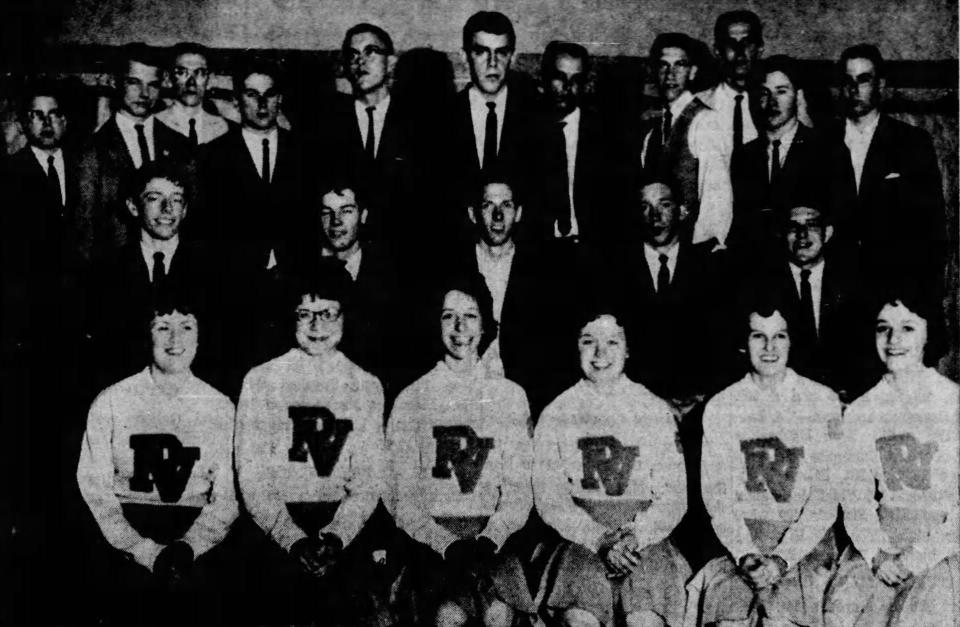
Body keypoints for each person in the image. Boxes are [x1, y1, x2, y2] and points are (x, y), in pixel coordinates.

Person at [234, 264, 386, 625]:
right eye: (305, 314)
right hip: (275, 527)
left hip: (341, 528)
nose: (317, 326)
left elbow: (368, 480)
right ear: (290, 318)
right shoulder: (261, 381)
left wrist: (336, 538)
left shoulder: (365, 385)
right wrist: (293, 540)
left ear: (345, 316)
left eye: (328, 314)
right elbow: (252, 478)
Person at [76, 299, 238, 624]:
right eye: (163, 328)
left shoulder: (220, 406)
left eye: (186, 328)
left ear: (200, 335)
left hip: (198, 540)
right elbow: (95, 490)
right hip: (124, 538)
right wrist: (142, 550)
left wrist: (189, 547)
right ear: (146, 335)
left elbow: (228, 498)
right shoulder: (111, 401)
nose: (175, 341)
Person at [386, 272, 534, 626]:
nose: (459, 327)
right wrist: (443, 543)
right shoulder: (412, 398)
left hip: (494, 539)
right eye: (448, 315)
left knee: (499, 612)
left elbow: (519, 490)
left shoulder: (510, 396)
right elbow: (400, 495)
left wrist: (491, 538)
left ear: (485, 326)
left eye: (469, 316)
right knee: (447, 615)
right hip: (431, 542)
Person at [533, 310, 689, 627]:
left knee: (644, 619)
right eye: (589, 341)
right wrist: (598, 539)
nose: (601, 354)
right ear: (575, 347)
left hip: (644, 538)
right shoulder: (557, 412)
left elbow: (674, 496)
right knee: (580, 619)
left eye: (612, 342)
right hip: (582, 537)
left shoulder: (653, 409)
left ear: (628, 348)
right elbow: (550, 499)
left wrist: (638, 535)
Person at [696, 300, 845, 627]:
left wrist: (782, 558)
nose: (769, 347)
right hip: (739, 542)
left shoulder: (821, 401)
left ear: (792, 340)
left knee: (782, 621)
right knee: (728, 620)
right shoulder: (722, 406)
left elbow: (825, 498)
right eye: (757, 336)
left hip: (806, 544)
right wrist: (745, 552)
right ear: (742, 342)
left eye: (779, 336)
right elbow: (718, 498)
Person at [831, 284, 958, 626]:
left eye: (907, 328)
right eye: (883, 328)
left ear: (929, 334)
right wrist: (875, 554)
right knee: (842, 609)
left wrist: (915, 560)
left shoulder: (952, 403)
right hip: (882, 543)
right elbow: (854, 498)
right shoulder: (861, 410)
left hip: (943, 547)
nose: (893, 340)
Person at [85, 161, 226, 393]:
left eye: (177, 199)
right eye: (154, 198)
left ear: (186, 209)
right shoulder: (104, 272)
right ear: (132, 206)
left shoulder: (215, 271)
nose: (167, 208)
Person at [452, 173, 570, 415]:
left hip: (526, 400)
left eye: (506, 205)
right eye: (488, 205)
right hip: (462, 397)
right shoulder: (454, 268)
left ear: (518, 214)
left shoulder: (542, 271)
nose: (498, 215)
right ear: (473, 214)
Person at [832, 44, 945, 280]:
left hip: (892, 287)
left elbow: (931, 228)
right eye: (848, 81)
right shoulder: (822, 141)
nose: (854, 89)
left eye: (863, 80)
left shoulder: (912, 142)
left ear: (880, 84)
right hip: (837, 288)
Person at [76, 42, 191, 259]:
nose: (144, 93)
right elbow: (85, 231)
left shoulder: (180, 146)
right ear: (115, 82)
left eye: (153, 84)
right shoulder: (91, 150)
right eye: (134, 83)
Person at [742, 204, 869, 397]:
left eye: (811, 225)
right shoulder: (757, 286)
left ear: (828, 232)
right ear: (781, 234)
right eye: (793, 227)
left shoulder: (856, 283)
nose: (802, 234)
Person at [293, 179, 403, 397]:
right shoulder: (295, 276)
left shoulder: (392, 279)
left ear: (363, 216)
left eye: (346, 211)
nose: (336, 222)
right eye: (327, 213)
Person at [729, 55, 847, 252]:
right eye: (765, 93)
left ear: (798, 96)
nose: (772, 102)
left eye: (781, 92)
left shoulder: (827, 151)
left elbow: (841, 221)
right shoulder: (744, 156)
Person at [446, 11, 535, 228]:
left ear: (513, 57)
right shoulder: (441, 120)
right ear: (464, 57)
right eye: (481, 52)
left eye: (501, 52)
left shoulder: (536, 119)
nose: (492, 63)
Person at [686, 10, 764, 248]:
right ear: (718, 51)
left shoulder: (775, 107)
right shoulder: (697, 107)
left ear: (760, 48)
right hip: (712, 237)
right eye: (731, 45)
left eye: (747, 43)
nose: (740, 54)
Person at [531, 40, 615, 246]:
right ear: (543, 80)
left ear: (585, 84)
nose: (567, 87)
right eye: (559, 78)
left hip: (590, 250)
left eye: (576, 80)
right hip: (537, 251)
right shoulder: (525, 132)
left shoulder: (606, 136)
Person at [634, 32, 708, 239]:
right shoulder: (652, 130)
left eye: (680, 65)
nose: (670, 74)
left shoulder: (705, 121)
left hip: (691, 246)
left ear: (692, 72)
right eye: (664, 65)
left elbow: (715, 194)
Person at [155, 42, 230, 147]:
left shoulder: (223, 127)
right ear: (168, 79)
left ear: (210, 80)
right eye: (181, 72)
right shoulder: (156, 123)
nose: (191, 82)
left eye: (200, 73)